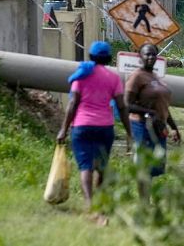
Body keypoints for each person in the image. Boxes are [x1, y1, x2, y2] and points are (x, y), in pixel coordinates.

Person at [56, 41, 132, 211]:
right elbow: (121, 106)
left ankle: (89, 203)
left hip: (82, 126)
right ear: (109, 59)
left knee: (86, 166)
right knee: (101, 166)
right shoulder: (114, 78)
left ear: (91, 57)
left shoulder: (81, 75)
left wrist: (63, 129)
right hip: (105, 127)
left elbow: (73, 103)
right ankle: (99, 200)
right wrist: (129, 132)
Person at [125, 43, 180, 194]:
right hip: (142, 126)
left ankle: (147, 199)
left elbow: (163, 106)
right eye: (146, 54)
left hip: (158, 126)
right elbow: (126, 104)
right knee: (144, 165)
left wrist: (174, 127)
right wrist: (150, 113)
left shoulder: (155, 76)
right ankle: (144, 202)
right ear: (140, 57)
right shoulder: (137, 76)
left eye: (153, 54)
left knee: (155, 166)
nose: (150, 57)